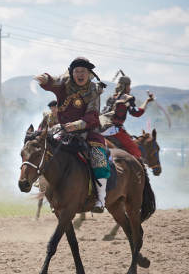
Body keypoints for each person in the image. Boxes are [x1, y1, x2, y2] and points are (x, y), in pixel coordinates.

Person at [34, 56, 110, 212]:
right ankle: (43, 184)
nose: (80, 74)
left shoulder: (94, 90)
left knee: (99, 158)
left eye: (83, 71)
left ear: (89, 73)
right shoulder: (64, 83)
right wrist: (45, 79)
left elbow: (93, 115)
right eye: (77, 71)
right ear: (72, 73)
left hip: (88, 131)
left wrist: (78, 125)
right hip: (64, 130)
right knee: (44, 149)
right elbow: (52, 82)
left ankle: (100, 199)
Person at [100, 72, 153, 160]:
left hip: (102, 129)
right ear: (126, 86)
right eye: (129, 86)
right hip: (115, 130)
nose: (130, 88)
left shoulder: (111, 98)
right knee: (136, 152)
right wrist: (147, 101)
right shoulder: (128, 98)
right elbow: (137, 113)